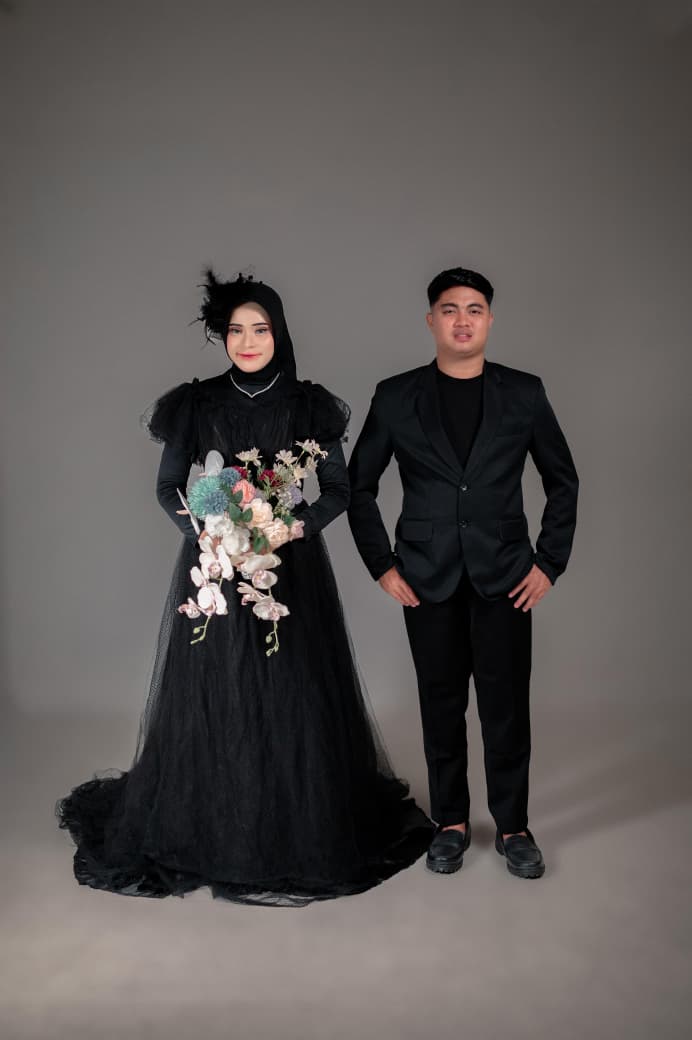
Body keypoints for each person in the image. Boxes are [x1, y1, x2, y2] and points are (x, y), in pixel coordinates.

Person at [56, 270, 433, 905]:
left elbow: (338, 490)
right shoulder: (197, 403)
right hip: (218, 569)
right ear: (223, 338)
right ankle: (216, 820)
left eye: (260, 329)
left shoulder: (309, 405)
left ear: (279, 332)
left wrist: (289, 528)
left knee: (293, 689)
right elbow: (167, 487)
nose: (248, 341)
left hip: (290, 570)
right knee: (218, 687)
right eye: (236, 331)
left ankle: (289, 823)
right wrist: (209, 535)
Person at [347, 267, 578, 879]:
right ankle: (450, 821)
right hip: (425, 577)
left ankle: (513, 826)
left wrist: (549, 563)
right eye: (449, 309)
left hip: (507, 576)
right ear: (431, 321)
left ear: (490, 320)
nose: (462, 320)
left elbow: (563, 481)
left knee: (506, 709)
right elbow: (357, 486)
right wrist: (382, 565)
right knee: (440, 704)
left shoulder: (524, 393)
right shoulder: (395, 396)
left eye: (474, 309)